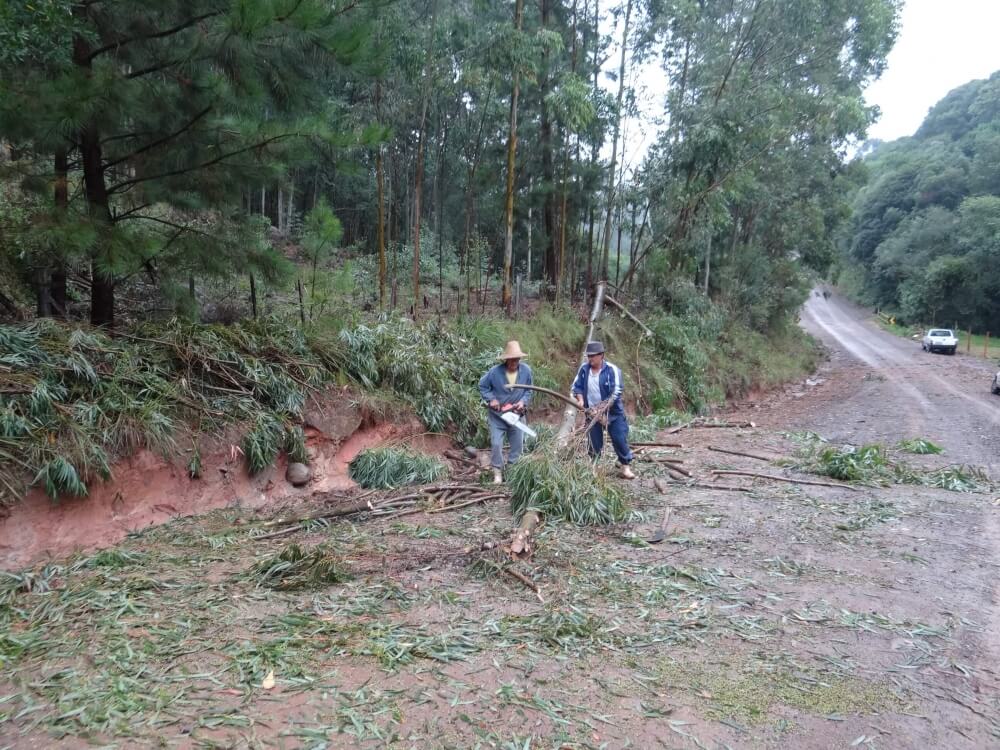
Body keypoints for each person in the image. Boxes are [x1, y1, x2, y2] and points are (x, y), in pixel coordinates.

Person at [571, 340, 635, 479]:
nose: (590, 359)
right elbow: (576, 387)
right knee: (593, 442)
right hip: (591, 412)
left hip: (612, 413)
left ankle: (625, 467)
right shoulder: (584, 369)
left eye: (593, 356)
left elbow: (616, 391)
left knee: (619, 438)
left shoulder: (612, 370)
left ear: (601, 355)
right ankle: (594, 468)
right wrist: (581, 400)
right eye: (589, 356)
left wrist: (603, 408)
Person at [478, 340, 533, 483]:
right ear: (506, 359)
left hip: (516, 415)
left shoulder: (526, 371)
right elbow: (483, 386)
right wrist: (491, 399)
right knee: (496, 443)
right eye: (511, 359)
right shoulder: (494, 372)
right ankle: (497, 472)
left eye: (517, 359)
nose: (514, 362)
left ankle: (513, 470)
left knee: (518, 444)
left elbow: (529, 390)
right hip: (498, 416)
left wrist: (523, 402)